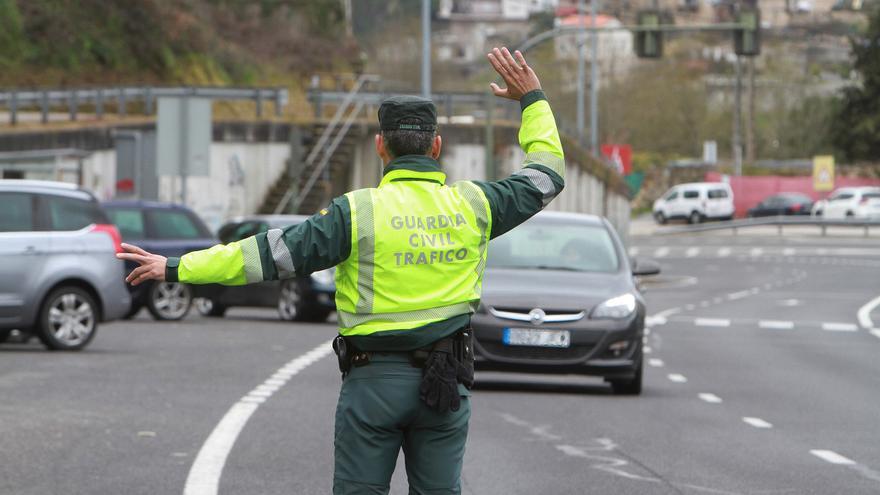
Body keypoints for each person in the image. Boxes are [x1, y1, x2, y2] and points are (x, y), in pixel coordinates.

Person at [118, 46, 565, 495]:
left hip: (372, 385)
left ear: (380, 146)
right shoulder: (475, 205)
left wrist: (177, 267)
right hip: (445, 385)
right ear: (436, 146)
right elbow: (546, 175)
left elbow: (267, 255)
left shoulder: (357, 212)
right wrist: (533, 100)